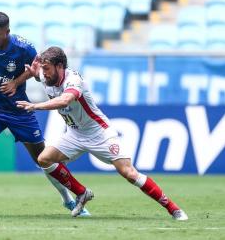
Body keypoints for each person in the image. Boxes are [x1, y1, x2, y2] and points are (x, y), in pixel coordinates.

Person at [16, 46, 188, 220]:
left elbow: (65, 99)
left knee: (129, 173)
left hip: (99, 133)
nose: (44, 73)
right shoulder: (48, 77)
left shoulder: (74, 80)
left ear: (60, 66)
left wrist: (36, 105)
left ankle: (173, 209)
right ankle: (81, 193)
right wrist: (36, 74)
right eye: (43, 69)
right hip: (75, 134)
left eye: (47, 69)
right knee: (44, 159)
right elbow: (41, 77)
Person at [0, 12, 90, 217]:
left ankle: (69, 200)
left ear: (7, 33)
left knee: (43, 160)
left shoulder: (24, 48)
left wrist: (16, 82)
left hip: (20, 109)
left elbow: (37, 72)